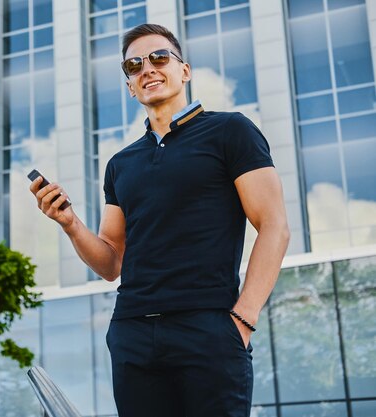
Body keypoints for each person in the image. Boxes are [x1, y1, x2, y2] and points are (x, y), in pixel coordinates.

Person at [29, 23, 290, 417]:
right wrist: (70, 224)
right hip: (133, 332)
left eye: (159, 57)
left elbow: (274, 226)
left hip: (209, 327)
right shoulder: (120, 164)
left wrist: (243, 319)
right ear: (131, 86)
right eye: (133, 66)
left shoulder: (230, 130)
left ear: (184, 70)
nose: (146, 69)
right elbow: (110, 261)